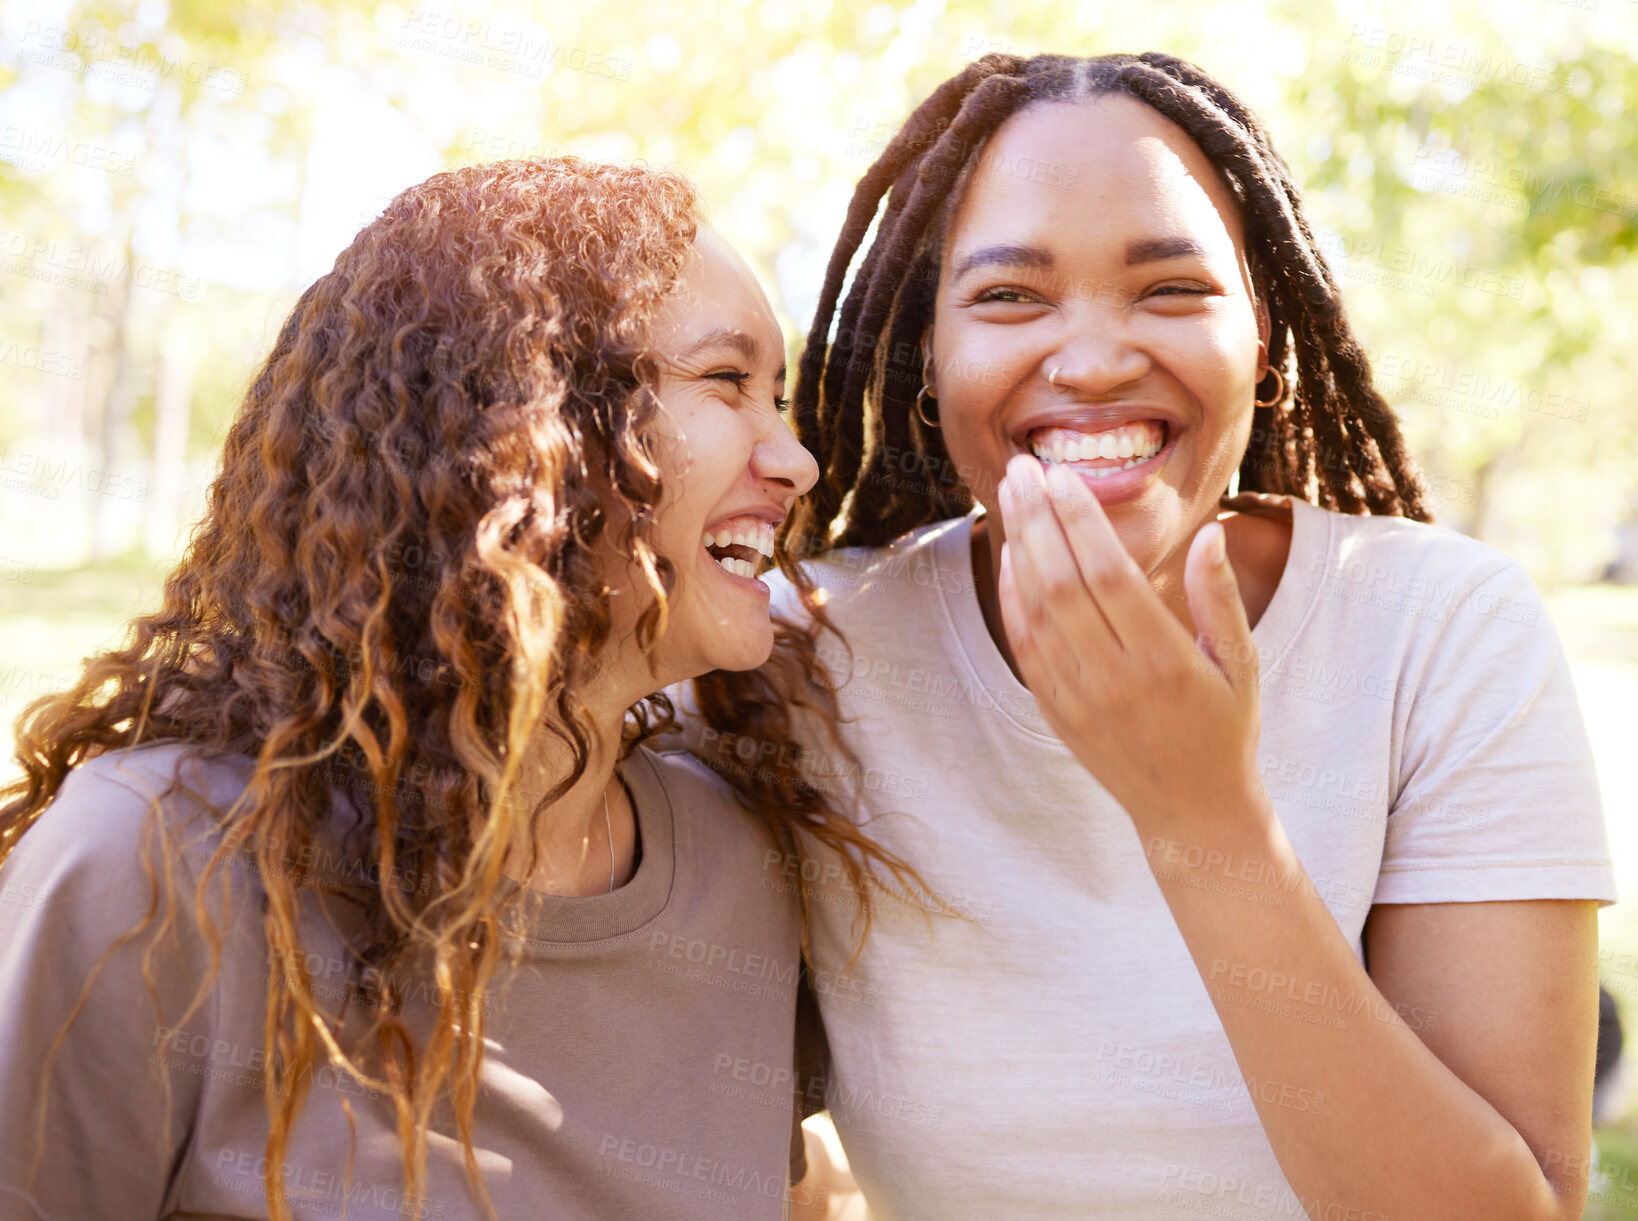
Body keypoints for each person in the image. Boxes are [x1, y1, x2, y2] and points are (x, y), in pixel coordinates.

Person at [686, 52, 1615, 1220]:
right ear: (930, 355)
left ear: (1265, 341)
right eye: (1009, 298)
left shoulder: (1442, 629)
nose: (1093, 359)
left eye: (1170, 289)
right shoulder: (801, 652)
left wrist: (1202, 815)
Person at [0, 157, 906, 1221]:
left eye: (781, 397)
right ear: (524, 435)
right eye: (725, 382)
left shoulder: (740, 866)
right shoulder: (153, 863)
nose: (796, 459)